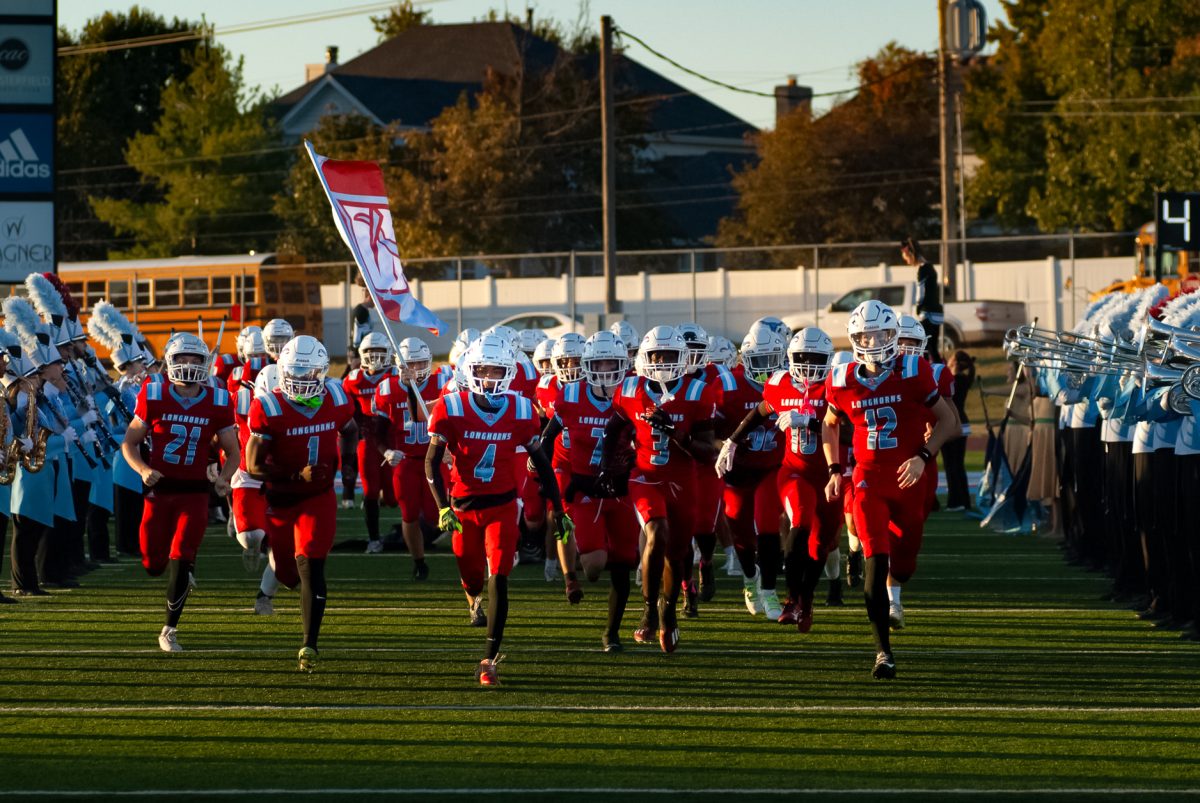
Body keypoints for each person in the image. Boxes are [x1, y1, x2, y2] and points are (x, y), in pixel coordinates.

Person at [822, 300, 957, 680]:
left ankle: (895, 595)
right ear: (854, 338)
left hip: (908, 478)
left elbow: (948, 421)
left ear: (893, 335)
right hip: (868, 479)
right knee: (875, 559)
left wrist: (923, 456)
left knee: (905, 562)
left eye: (879, 333)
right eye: (864, 334)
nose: (872, 340)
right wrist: (835, 469)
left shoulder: (914, 370)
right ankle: (883, 651)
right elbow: (829, 424)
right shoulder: (842, 378)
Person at [426, 333, 569, 686]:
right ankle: (471, 597)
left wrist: (559, 508)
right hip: (462, 507)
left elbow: (543, 464)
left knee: (499, 578)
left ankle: (489, 659)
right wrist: (442, 506)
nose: (489, 377)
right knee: (472, 576)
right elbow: (430, 462)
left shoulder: (521, 409)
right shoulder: (451, 406)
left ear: (508, 373)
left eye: (496, 371)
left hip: (503, 506)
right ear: (470, 370)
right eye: (483, 370)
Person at [599, 326, 717, 653]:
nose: (662, 361)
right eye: (656, 355)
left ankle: (668, 609)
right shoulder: (630, 389)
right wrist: (609, 465)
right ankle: (649, 610)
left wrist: (679, 434)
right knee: (656, 532)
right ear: (644, 358)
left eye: (669, 355)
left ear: (683, 359)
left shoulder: (697, 392)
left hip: (683, 480)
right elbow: (615, 427)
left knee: (677, 555)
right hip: (645, 477)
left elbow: (708, 451)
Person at [121, 333, 239, 652]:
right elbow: (129, 443)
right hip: (160, 490)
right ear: (170, 363)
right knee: (153, 563)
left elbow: (233, 449)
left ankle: (169, 629)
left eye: (195, 358)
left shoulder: (217, 399)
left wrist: (225, 476)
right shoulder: (155, 393)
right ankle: (160, 575)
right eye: (183, 358)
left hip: (195, 492)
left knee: (183, 556)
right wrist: (144, 469)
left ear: (205, 363)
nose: (189, 364)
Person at [246, 336, 356, 672]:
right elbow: (253, 466)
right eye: (295, 371)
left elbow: (349, 428)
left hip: (317, 498)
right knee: (288, 573)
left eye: (308, 372)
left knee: (311, 565)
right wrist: (296, 475)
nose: (301, 379)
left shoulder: (337, 397)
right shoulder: (268, 406)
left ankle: (309, 644)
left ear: (322, 372)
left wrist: (347, 461)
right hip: (281, 498)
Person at [539, 331, 641, 650]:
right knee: (594, 566)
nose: (607, 367)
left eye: (613, 361)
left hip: (621, 488)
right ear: (588, 364)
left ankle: (611, 633)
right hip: (585, 487)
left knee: (623, 566)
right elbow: (548, 433)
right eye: (600, 362)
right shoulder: (570, 395)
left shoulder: (634, 392)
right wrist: (536, 457)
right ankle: (589, 557)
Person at [714, 323, 789, 622]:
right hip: (737, 471)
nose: (764, 368)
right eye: (757, 360)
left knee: (768, 525)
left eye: (770, 359)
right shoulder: (729, 386)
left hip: (771, 468)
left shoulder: (788, 383)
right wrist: (722, 444)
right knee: (741, 534)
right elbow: (711, 430)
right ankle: (749, 578)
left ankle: (769, 590)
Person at [373, 336, 447, 580]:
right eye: (410, 364)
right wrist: (386, 452)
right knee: (409, 514)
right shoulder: (386, 389)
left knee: (440, 515)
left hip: (435, 459)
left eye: (420, 363)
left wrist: (452, 450)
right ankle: (419, 562)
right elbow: (376, 431)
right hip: (405, 461)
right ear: (399, 365)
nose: (415, 369)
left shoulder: (443, 383)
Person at [343, 332, 399, 553]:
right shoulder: (353, 380)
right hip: (368, 441)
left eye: (380, 352)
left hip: (393, 438)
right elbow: (347, 409)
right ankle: (374, 538)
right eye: (369, 352)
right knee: (370, 491)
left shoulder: (397, 375)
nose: (375, 357)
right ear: (361, 355)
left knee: (395, 496)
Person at [942, 350, 976, 511]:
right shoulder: (962, 379)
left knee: (952, 464)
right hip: (962, 422)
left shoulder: (955, 380)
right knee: (957, 464)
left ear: (955, 363)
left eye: (951, 358)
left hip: (954, 424)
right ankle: (963, 500)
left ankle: (956, 501)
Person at [901, 238, 943, 363]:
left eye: (906, 258)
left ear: (910, 255)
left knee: (923, 347)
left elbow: (921, 293)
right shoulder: (931, 267)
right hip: (937, 312)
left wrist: (918, 309)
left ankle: (923, 372)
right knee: (933, 348)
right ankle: (939, 374)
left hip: (927, 313)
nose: (907, 262)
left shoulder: (922, 269)